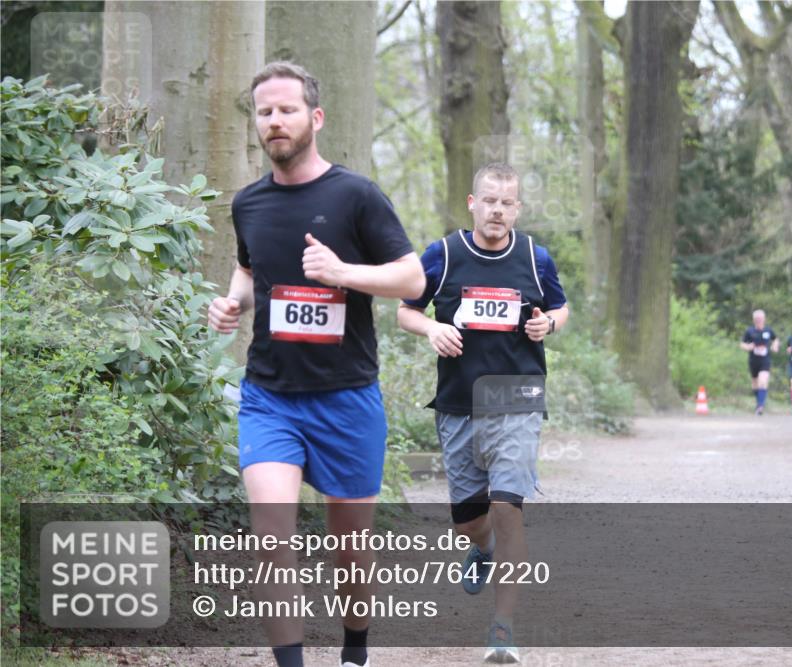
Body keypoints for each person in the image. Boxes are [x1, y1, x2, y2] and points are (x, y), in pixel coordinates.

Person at [207, 61, 425, 667]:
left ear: (315, 117)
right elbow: (251, 270)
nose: (275, 121)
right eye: (265, 112)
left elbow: (412, 276)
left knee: (351, 550)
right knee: (271, 539)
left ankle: (355, 653)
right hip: (269, 396)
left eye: (287, 110)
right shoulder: (247, 202)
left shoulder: (355, 195)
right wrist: (232, 302)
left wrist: (342, 273)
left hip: (347, 397)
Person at [397, 162, 569, 663]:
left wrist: (549, 326)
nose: (497, 210)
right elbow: (405, 310)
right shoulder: (443, 255)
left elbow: (560, 307)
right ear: (472, 203)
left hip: (517, 398)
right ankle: (483, 549)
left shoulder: (535, 258)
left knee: (508, 507)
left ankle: (503, 628)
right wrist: (430, 329)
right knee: (470, 519)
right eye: (488, 200)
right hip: (458, 403)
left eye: (506, 202)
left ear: (518, 207)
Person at [740, 309, 780, 415]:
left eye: (760, 319)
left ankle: (760, 406)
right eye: (756, 319)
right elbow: (742, 344)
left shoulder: (768, 330)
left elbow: (775, 339)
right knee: (755, 383)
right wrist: (748, 346)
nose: (758, 321)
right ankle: (758, 403)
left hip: (765, 360)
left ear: (764, 319)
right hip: (753, 360)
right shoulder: (749, 331)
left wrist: (775, 345)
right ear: (753, 320)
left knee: (763, 381)